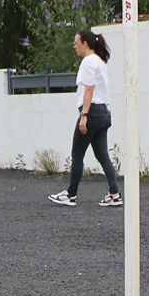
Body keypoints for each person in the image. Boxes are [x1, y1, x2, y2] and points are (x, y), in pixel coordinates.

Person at [48, 30, 122, 207]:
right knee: (103, 155)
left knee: (77, 154)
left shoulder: (88, 62)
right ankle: (114, 194)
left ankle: (71, 195)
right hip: (104, 113)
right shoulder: (100, 62)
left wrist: (84, 116)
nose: (74, 46)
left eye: (76, 43)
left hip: (92, 112)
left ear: (85, 44)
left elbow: (89, 88)